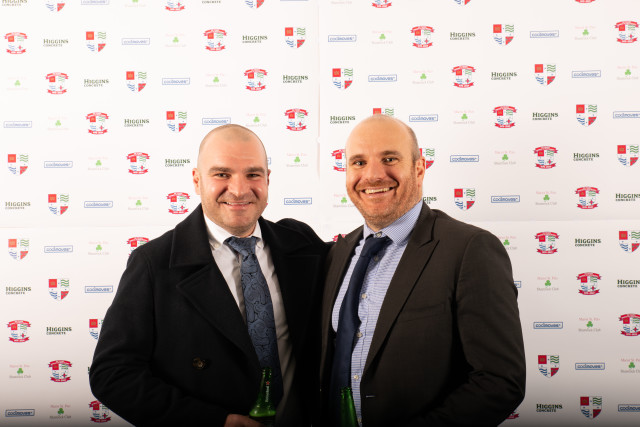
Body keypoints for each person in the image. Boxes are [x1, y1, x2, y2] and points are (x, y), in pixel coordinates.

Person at [90, 124, 327, 427]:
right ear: (197, 180)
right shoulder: (154, 264)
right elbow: (112, 374)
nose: (239, 189)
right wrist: (215, 422)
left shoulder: (301, 244)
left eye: (253, 174)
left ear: (268, 179)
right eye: (222, 174)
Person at [319, 115, 526, 426]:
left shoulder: (470, 249)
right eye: (358, 162)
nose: (373, 175)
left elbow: (499, 381)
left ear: (419, 168)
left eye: (389, 159)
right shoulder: (338, 253)